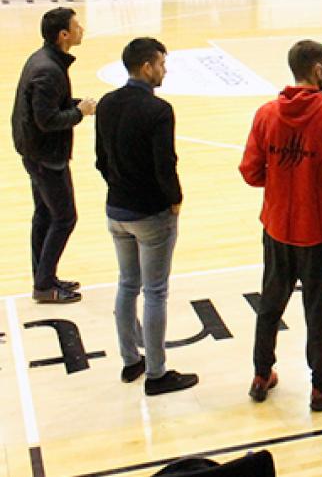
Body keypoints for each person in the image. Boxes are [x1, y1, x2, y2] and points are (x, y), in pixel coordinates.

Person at [240, 40, 322, 412]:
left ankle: (262, 375)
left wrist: (280, 182)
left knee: (270, 304)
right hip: (319, 232)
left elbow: (250, 171)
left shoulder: (266, 114)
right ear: (316, 70)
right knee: (317, 311)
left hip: (277, 226)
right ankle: (321, 387)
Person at [95, 37, 197, 395]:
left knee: (127, 285)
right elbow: (164, 165)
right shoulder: (159, 110)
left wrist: (118, 187)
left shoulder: (106, 103)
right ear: (145, 67)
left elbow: (101, 159)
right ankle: (157, 373)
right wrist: (175, 201)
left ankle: (130, 361)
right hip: (150, 214)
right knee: (155, 292)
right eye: (161, 64)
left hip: (115, 209)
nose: (164, 70)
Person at [11, 7, 95, 304]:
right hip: (46, 156)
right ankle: (44, 285)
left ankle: (43, 277)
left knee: (45, 214)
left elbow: (47, 107)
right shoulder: (48, 69)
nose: (81, 29)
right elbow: (46, 120)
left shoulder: (45, 60)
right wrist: (79, 112)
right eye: (76, 26)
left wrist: (76, 104)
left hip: (35, 152)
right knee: (64, 217)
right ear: (64, 35)